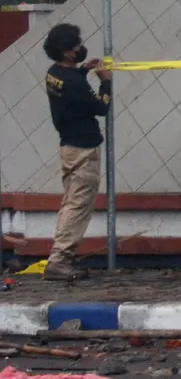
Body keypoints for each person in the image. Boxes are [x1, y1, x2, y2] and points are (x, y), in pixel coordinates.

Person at [41, 23, 111, 281]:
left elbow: (71, 86)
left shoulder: (54, 72)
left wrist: (83, 70)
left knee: (70, 202)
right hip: (83, 150)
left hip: (68, 146)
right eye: (77, 47)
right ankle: (59, 260)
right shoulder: (73, 83)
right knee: (78, 206)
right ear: (67, 52)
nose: (81, 49)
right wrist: (105, 83)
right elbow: (101, 107)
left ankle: (60, 257)